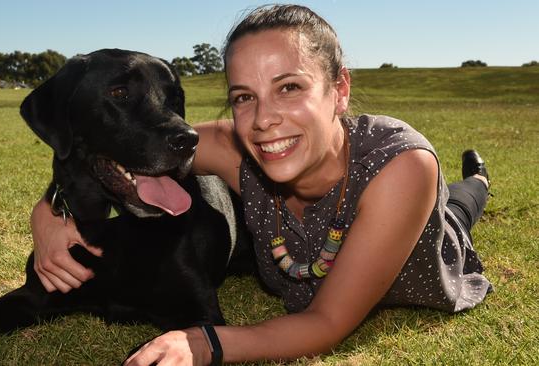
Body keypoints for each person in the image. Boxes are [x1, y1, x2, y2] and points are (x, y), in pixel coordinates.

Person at [30, 5, 492, 365]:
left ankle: (477, 178)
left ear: (340, 89)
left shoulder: (400, 166)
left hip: (420, 240)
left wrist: (205, 342)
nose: (265, 119)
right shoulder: (236, 147)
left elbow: (326, 322)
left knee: (459, 207)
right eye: (244, 97)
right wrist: (48, 216)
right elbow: (99, 157)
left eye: (289, 87)